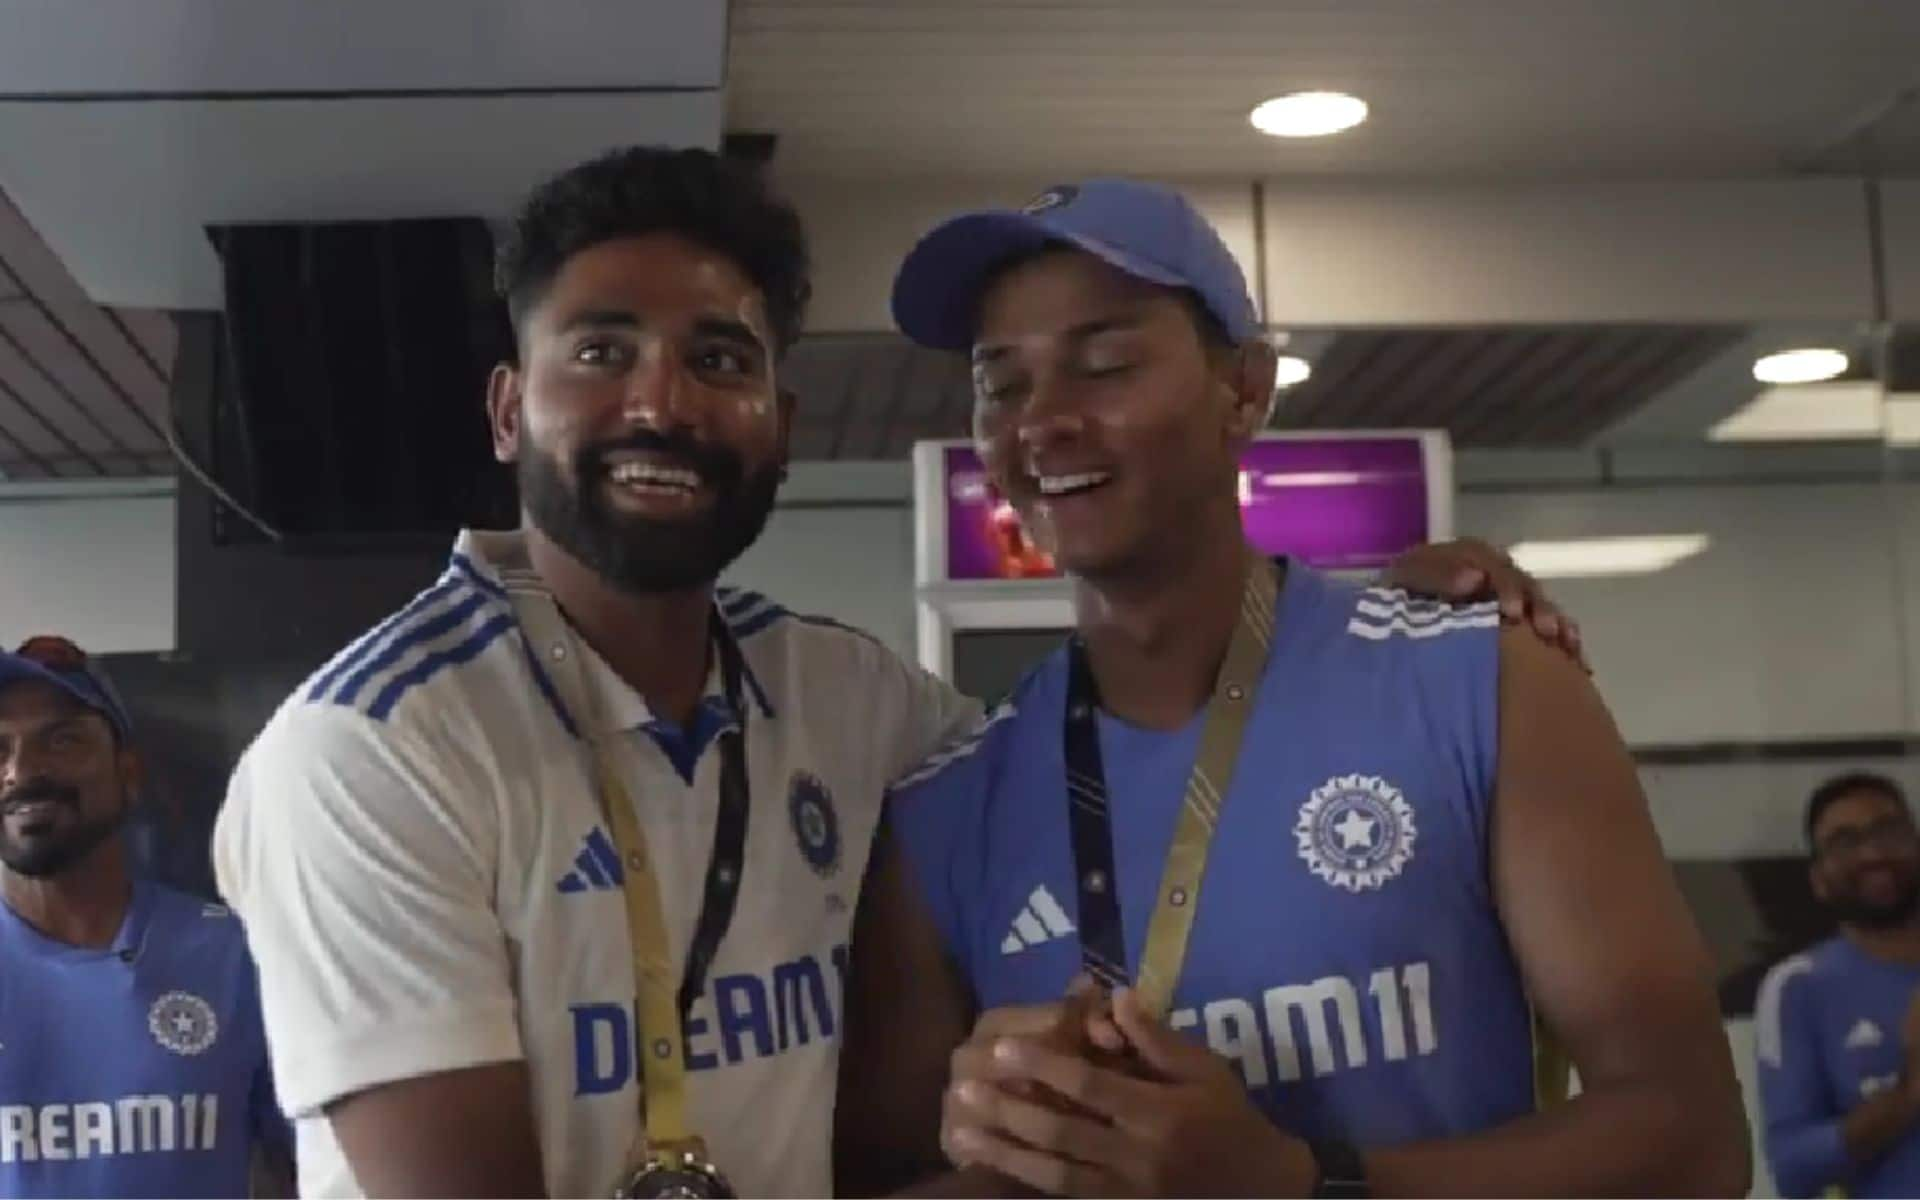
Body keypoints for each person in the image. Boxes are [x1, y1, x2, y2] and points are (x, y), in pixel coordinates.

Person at [212, 146, 1585, 1200]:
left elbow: (1138, 739)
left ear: (781, 422)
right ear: (512, 408)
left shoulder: (850, 703)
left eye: (720, 359)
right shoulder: (374, 748)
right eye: (600, 352)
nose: (662, 403)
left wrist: (1362, 615)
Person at [837, 177, 1749, 1198]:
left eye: (1104, 364)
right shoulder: (946, 808)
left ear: (1247, 391)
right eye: (1002, 386)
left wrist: (1302, 1185)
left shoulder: (1477, 685)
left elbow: (1692, 1143)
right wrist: (1003, 1131)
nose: (1043, 421)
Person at [0, 635, 290, 1198]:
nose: (22, 770)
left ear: (127, 772)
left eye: (61, 740)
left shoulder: (236, 956)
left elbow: (313, 1173)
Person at [1756, 771, 1920, 1197]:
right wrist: (1908, 1095)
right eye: (1845, 842)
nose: (1872, 854)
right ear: (1819, 879)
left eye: (1888, 831)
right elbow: (1791, 1168)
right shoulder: (1798, 988)